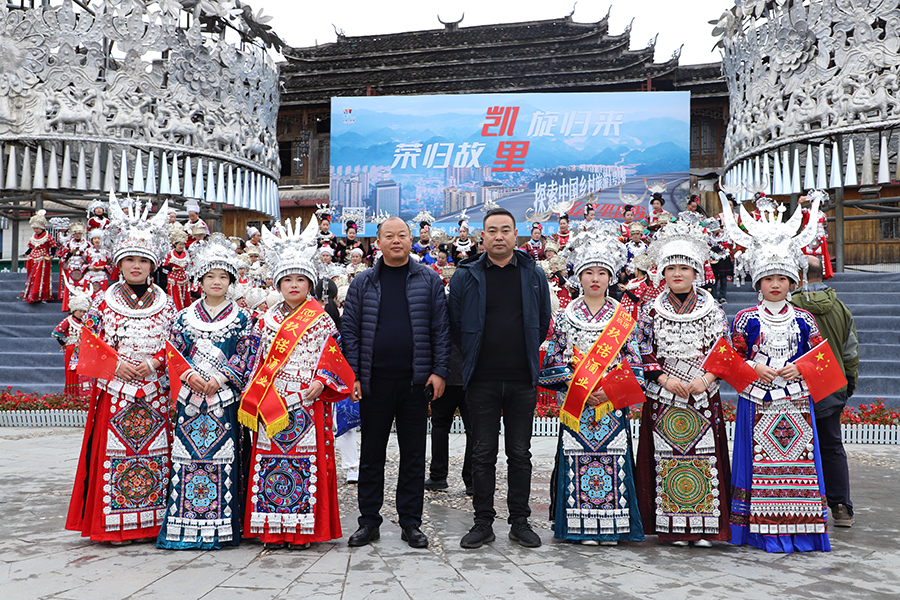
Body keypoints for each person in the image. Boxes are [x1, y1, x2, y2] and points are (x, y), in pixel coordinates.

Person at [720, 190, 831, 553]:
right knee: (756, 463)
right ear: (758, 283)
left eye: (782, 278)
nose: (775, 284)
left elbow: (820, 358)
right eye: (768, 279)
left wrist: (799, 368)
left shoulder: (804, 318)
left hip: (795, 400)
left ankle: (801, 527)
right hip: (756, 398)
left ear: (792, 281)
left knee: (798, 462)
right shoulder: (745, 319)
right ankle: (757, 529)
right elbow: (730, 358)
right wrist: (754, 367)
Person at [66, 196, 176, 543]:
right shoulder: (102, 300)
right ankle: (116, 525)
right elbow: (86, 344)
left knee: (156, 456)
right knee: (115, 454)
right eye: (129, 259)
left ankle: (151, 522)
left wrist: (154, 362)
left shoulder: (167, 302)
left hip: (155, 388)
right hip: (116, 390)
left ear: (152, 264)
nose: (136, 266)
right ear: (119, 262)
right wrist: (115, 365)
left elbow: (176, 343)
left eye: (143, 260)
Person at [239, 217, 353, 549]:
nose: (293, 285)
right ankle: (272, 528)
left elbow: (333, 357)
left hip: (307, 398)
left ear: (310, 283)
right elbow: (256, 360)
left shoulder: (320, 318)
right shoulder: (266, 320)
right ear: (277, 285)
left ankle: (303, 529)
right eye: (286, 279)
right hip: (272, 398)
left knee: (306, 461)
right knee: (270, 459)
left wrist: (321, 381)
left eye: (299, 279)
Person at [342, 216, 450, 549]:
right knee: (372, 455)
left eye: (401, 235)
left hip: (415, 382)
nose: (396, 240)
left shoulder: (428, 280)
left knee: (413, 455)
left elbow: (441, 330)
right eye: (389, 235)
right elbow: (350, 331)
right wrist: (355, 375)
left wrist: (439, 371)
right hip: (375, 383)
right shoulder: (363, 283)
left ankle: (411, 522)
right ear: (379, 241)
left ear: (411, 239)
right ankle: (368, 522)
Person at [448, 207, 552, 549]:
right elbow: (455, 325)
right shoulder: (467, 275)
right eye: (492, 230)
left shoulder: (533, 273)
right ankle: (483, 521)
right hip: (481, 379)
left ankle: (520, 521)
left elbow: (543, 320)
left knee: (520, 453)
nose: (498, 236)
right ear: (483, 235)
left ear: (515, 234)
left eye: (505, 230)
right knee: (482, 453)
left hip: (522, 378)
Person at [539, 220, 645, 545]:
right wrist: (580, 386)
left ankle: (613, 526)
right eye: (589, 273)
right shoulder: (565, 317)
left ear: (611, 277)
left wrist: (607, 390)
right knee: (577, 460)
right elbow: (552, 364)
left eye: (601, 273)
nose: (595, 279)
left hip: (610, 405)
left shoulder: (623, 319)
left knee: (614, 457)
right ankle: (579, 526)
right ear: (578, 277)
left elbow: (636, 364)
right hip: (578, 404)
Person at [634, 215, 732, 548]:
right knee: (668, 458)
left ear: (696, 273)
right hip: (664, 395)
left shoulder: (712, 308)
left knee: (705, 458)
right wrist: (662, 378)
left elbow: (723, 350)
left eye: (684, 269)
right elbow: (642, 350)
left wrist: (706, 378)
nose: (677, 274)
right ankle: (672, 527)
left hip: (702, 393)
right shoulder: (650, 309)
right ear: (662, 274)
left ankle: (704, 528)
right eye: (671, 269)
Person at [157, 234, 256, 550]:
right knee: (187, 461)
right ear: (199, 280)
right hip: (190, 402)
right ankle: (184, 528)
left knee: (226, 461)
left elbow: (248, 355)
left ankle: (224, 528)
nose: (217, 282)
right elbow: (173, 353)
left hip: (224, 401)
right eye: (210, 276)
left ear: (232, 281)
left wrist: (222, 377)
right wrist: (186, 374)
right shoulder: (183, 317)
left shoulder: (243, 318)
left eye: (223, 277)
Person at [790, 255, 859, 528]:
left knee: (793, 447)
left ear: (797, 274)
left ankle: (798, 504)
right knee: (832, 446)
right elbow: (850, 350)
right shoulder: (841, 308)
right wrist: (849, 380)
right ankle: (841, 507)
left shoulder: (788, 306)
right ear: (822, 274)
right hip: (831, 385)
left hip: (793, 387)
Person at [424, 343, 474, 496]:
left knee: (440, 425)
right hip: (470, 374)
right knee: (474, 430)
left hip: (445, 373)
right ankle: (472, 479)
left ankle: (438, 475)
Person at [52, 283, 93, 400]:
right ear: (74, 310)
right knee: (72, 374)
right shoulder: (68, 321)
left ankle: (85, 396)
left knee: (85, 373)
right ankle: (72, 397)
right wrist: (63, 343)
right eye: (80, 311)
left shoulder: (86, 322)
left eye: (84, 312)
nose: (82, 314)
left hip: (84, 350)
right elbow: (56, 333)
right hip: (71, 348)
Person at [23, 210, 57, 303]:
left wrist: (51, 256)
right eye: (34, 228)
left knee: (41, 278)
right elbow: (31, 247)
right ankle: (31, 295)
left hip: (43, 259)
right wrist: (26, 253)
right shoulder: (33, 236)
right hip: (33, 258)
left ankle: (42, 296)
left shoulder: (48, 236)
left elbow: (53, 246)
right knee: (32, 277)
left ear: (41, 228)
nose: (35, 230)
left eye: (37, 228)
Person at [163, 228, 192, 311]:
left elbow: (190, 265)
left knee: (185, 297)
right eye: (180, 244)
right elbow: (164, 265)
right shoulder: (170, 253)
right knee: (175, 298)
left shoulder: (186, 254)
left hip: (184, 279)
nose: (181, 246)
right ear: (175, 244)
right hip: (174, 280)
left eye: (183, 245)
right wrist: (172, 268)